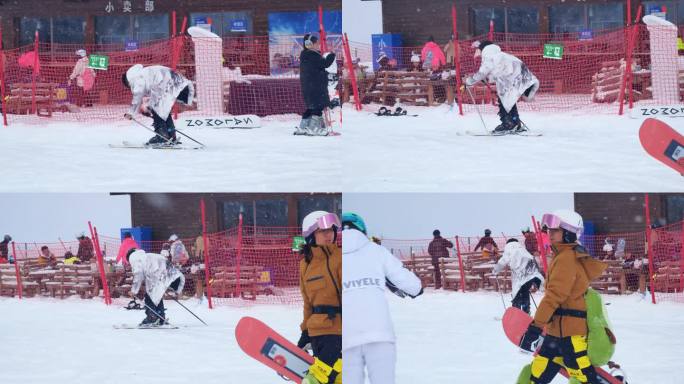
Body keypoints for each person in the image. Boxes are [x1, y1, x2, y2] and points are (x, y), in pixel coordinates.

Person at [518, 209, 607, 384]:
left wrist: (536, 327)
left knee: (582, 375)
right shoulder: (564, 255)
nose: (550, 234)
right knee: (539, 370)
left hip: (571, 333)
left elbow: (554, 297)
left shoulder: (566, 258)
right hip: (556, 332)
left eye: (555, 231)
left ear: (568, 234)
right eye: (549, 230)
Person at [342, 212, 422, 384]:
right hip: (379, 333)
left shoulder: (333, 256)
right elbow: (410, 284)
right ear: (362, 229)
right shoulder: (377, 251)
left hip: (346, 336)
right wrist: (417, 289)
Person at [296, 211, 342, 384]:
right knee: (335, 379)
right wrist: (305, 332)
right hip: (317, 332)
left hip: (338, 331)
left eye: (331, 230)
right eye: (322, 231)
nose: (328, 234)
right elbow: (308, 302)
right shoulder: (305, 265)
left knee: (317, 379)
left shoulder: (340, 259)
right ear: (310, 235)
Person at [464, 40, 540, 134]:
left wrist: (469, 81)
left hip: (513, 81)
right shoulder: (502, 55)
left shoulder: (489, 56)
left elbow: (483, 72)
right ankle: (515, 122)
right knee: (509, 100)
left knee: (504, 100)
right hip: (524, 79)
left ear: (483, 49)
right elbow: (499, 69)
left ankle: (508, 124)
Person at [121, 64, 195, 145]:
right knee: (162, 110)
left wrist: (130, 113)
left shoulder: (137, 78)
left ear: (128, 81)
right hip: (182, 85)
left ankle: (162, 136)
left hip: (171, 86)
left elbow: (137, 96)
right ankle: (171, 134)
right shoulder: (145, 73)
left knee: (157, 107)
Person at [126, 247, 185, 326]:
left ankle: (152, 317)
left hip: (158, 274)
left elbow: (138, 274)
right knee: (156, 294)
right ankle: (161, 317)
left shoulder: (135, 259)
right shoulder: (147, 255)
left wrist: (134, 291)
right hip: (170, 273)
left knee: (150, 295)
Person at [295, 33, 336, 136]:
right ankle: (314, 128)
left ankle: (303, 127)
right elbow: (325, 63)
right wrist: (332, 54)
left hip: (308, 87)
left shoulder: (305, 54)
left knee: (311, 107)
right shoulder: (312, 55)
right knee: (317, 108)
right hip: (316, 87)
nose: (318, 45)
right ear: (310, 44)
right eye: (317, 43)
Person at [493, 238, 544, 314]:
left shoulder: (509, 247)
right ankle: (526, 311)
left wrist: (495, 271)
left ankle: (516, 313)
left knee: (517, 293)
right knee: (525, 291)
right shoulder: (521, 247)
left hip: (520, 274)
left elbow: (503, 260)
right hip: (532, 271)